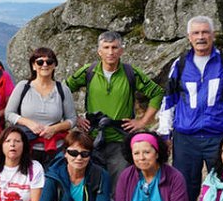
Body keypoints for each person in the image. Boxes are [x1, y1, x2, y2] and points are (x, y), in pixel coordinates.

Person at [158, 16, 223, 201]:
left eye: (205, 32)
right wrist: (165, 134)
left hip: (219, 137)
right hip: (186, 139)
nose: (201, 37)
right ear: (189, 37)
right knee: (184, 188)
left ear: (213, 35)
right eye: (196, 33)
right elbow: (169, 100)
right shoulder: (180, 64)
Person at [65, 31, 164, 183]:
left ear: (121, 50)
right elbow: (62, 91)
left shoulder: (131, 73)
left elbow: (157, 93)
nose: (110, 52)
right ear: (99, 51)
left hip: (120, 139)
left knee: (118, 184)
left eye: (114, 47)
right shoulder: (89, 71)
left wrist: (142, 122)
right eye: (106, 47)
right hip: (92, 138)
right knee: (92, 183)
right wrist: (74, 117)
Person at [5, 47, 76, 166]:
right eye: (39, 62)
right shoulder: (23, 87)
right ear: (33, 66)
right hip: (26, 148)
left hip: (55, 149)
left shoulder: (62, 89)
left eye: (49, 62)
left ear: (54, 65)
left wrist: (54, 129)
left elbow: (72, 119)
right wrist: (29, 123)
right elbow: (9, 113)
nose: (45, 65)